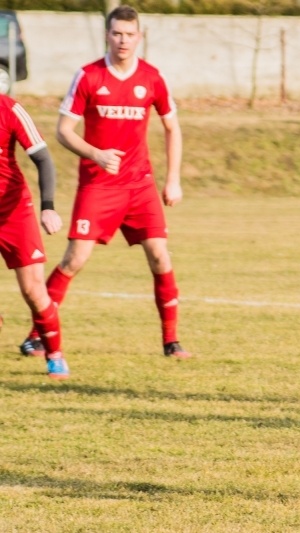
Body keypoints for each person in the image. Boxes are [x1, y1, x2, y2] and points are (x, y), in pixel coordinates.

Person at [18, 5, 190, 359]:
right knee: (74, 259)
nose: (123, 40)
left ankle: (171, 342)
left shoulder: (152, 78)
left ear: (139, 37)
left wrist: (173, 180)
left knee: (160, 256)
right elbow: (64, 131)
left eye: (129, 34)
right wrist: (95, 154)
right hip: (98, 185)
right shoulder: (88, 76)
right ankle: (37, 336)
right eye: (117, 33)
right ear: (107, 35)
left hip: (139, 185)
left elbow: (172, 128)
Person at [0, 94, 69, 379]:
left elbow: (42, 158)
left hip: (13, 211)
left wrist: (48, 207)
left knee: (33, 290)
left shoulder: (9, 109)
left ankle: (54, 354)